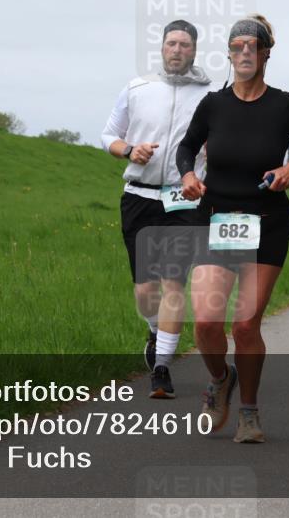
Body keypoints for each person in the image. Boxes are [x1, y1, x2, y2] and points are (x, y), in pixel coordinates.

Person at [176, 15, 289, 443]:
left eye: (253, 45)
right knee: (207, 322)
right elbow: (186, 146)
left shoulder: (285, 105)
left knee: (245, 325)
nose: (245, 51)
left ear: (266, 53)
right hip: (217, 218)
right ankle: (218, 378)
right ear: (229, 54)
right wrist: (188, 175)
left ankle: (248, 411)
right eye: (237, 45)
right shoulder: (213, 104)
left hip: (267, 222)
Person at [101, 20, 211, 399]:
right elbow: (108, 135)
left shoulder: (210, 93)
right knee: (146, 289)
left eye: (184, 44)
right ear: (162, 48)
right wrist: (130, 150)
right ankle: (154, 330)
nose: (177, 50)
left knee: (173, 282)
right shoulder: (137, 88)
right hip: (139, 195)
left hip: (184, 198)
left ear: (194, 51)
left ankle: (162, 368)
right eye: (171, 43)